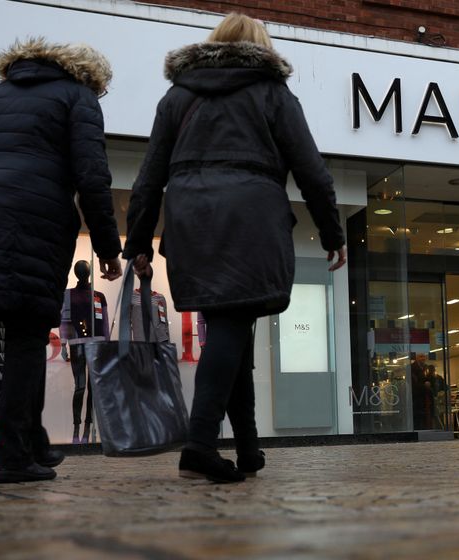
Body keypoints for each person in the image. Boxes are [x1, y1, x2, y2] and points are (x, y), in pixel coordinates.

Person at [124, 14, 347, 483]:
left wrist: (140, 240)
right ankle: (200, 445)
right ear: (262, 49)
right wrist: (332, 233)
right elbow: (312, 171)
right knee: (231, 325)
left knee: (232, 324)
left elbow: (148, 177)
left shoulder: (178, 96)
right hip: (250, 220)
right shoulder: (273, 94)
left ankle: (248, 447)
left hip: (190, 222)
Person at [0, 38, 123, 483]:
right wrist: (107, 248)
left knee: (23, 338)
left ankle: (33, 442)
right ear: (90, 76)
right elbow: (92, 176)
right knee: (25, 338)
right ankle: (12, 457)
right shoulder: (77, 97)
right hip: (30, 226)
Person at [59, 260, 111, 443]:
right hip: (78, 345)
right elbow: (64, 320)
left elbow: (104, 323)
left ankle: (88, 426)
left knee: (92, 388)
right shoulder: (67, 295)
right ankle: (76, 427)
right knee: (80, 387)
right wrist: (63, 343)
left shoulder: (99, 296)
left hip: (96, 345)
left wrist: (106, 344)